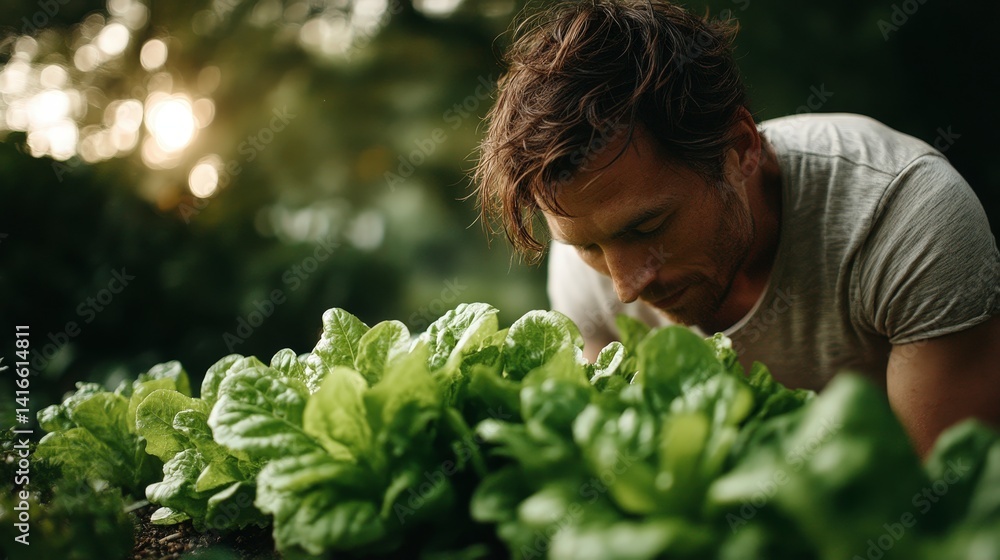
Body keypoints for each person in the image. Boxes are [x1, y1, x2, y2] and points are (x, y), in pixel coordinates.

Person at [473, 0, 1000, 456]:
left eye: (648, 226)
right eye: (587, 245)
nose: (626, 285)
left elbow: (952, 506)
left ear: (741, 147)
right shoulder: (582, 262)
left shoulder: (904, 219)